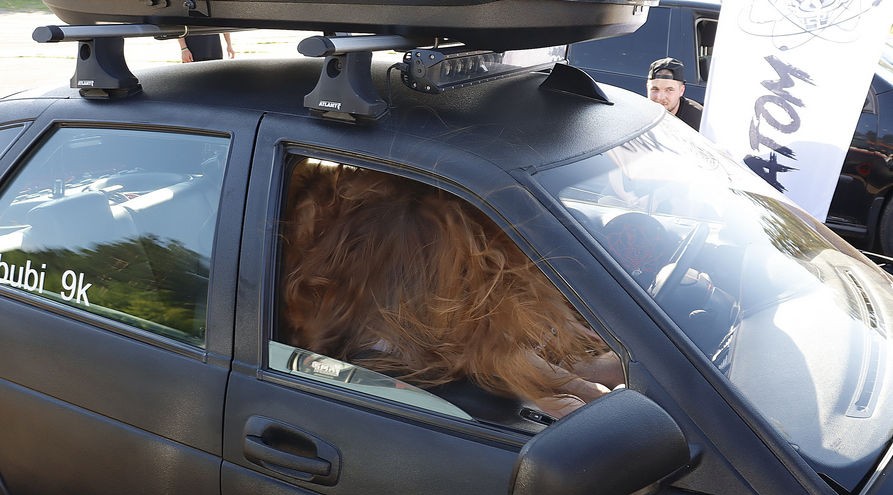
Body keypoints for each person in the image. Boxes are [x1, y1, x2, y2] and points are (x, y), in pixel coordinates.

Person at [279, 159, 624, 419]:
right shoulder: (385, 351)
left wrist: (583, 380)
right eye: (467, 273)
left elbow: (489, 348)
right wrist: (573, 393)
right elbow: (487, 353)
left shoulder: (375, 272)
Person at [646, 57, 702, 130]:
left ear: (681, 91)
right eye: (655, 89)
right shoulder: (638, 114)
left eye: (669, 90)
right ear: (647, 87)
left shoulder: (699, 121)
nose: (660, 97)